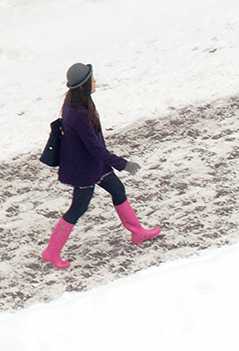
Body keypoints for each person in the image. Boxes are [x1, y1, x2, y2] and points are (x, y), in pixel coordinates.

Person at [41, 62, 161, 269]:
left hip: (94, 166)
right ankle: (51, 251)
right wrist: (124, 164)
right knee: (78, 208)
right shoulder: (79, 113)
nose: (95, 82)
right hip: (84, 170)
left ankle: (137, 232)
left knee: (117, 189)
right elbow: (95, 148)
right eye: (92, 79)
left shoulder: (77, 103)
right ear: (84, 85)